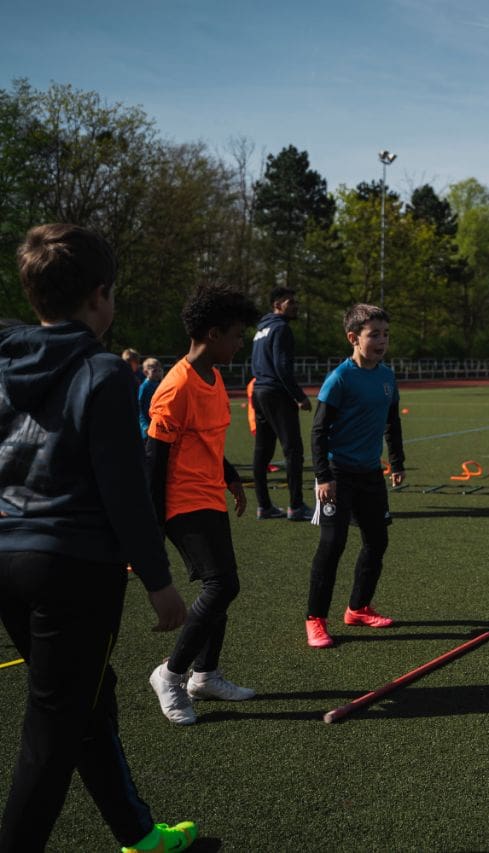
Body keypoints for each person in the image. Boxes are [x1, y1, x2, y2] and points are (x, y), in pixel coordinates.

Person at [0, 224, 196, 852]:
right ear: (100, 295)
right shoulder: (104, 371)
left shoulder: (7, 359)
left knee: (86, 700)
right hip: (72, 568)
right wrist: (160, 582)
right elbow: (124, 490)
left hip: (8, 556)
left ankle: (137, 833)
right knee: (53, 729)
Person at [146, 284, 260, 726]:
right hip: (181, 501)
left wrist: (230, 477)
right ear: (212, 334)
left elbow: (208, 441)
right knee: (222, 585)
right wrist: (153, 526)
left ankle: (205, 675)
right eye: (236, 335)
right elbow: (154, 460)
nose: (240, 343)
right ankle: (170, 675)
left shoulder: (214, 378)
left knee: (222, 585)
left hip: (209, 495)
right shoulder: (176, 387)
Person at [304, 304, 406, 649]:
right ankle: (315, 619)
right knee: (333, 545)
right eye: (374, 334)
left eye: (386, 334)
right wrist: (323, 476)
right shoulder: (340, 378)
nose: (382, 341)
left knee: (377, 541)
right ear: (353, 338)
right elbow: (319, 431)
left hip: (370, 473)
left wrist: (397, 463)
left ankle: (358, 608)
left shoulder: (387, 377)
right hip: (337, 474)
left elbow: (392, 423)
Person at [251, 286, 311, 520]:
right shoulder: (281, 328)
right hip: (276, 393)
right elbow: (282, 366)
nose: (295, 306)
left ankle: (264, 505)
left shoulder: (261, 329)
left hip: (259, 391)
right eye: (290, 302)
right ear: (277, 304)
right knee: (293, 450)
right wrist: (299, 396)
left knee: (262, 451)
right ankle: (296, 506)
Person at [138, 357, 164, 439]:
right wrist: (144, 425)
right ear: (145, 372)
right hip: (147, 426)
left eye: (159, 371)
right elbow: (139, 407)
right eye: (154, 371)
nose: (157, 374)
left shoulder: (161, 385)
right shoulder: (144, 387)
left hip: (157, 424)